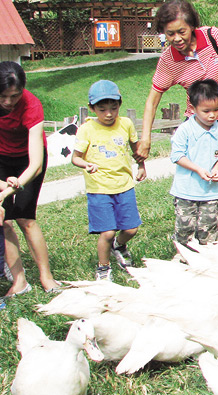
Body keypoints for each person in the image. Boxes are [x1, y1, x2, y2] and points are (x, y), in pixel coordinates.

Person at [138, 0, 218, 239]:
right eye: (170, 34)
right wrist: (145, 138)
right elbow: (152, 99)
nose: (176, 38)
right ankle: (196, 227)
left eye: (181, 31)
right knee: (202, 175)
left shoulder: (213, 37)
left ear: (192, 26)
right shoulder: (168, 60)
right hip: (198, 123)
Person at [71, 80, 146, 282]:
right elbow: (75, 157)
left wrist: (141, 166)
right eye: (102, 109)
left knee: (131, 228)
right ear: (92, 108)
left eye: (114, 108)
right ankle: (103, 268)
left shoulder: (126, 124)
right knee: (107, 232)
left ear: (120, 104)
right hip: (99, 189)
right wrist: (85, 164)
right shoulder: (86, 129)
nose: (109, 114)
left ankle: (119, 246)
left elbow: (136, 150)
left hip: (125, 186)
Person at [0, 61, 61, 296]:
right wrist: (3, 185)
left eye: (13, 96)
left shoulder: (31, 105)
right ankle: (20, 282)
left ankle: (47, 278)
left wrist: (9, 190)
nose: (8, 102)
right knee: (4, 221)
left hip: (28, 159)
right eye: (3, 96)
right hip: (2, 159)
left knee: (25, 218)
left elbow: (35, 164)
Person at [169, 80, 218, 246]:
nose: (212, 115)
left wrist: (217, 169)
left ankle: (208, 259)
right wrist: (197, 169)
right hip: (186, 192)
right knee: (184, 229)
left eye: (216, 110)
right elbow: (177, 156)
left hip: (210, 193)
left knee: (209, 230)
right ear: (193, 108)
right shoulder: (185, 130)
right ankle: (183, 256)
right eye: (206, 111)